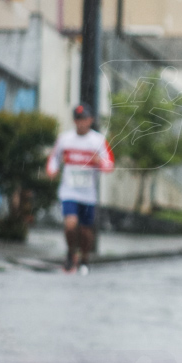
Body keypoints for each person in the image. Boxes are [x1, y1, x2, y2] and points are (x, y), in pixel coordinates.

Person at [46, 103, 115, 275]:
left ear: (90, 120)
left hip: (87, 193)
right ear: (74, 121)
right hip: (69, 191)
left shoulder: (97, 140)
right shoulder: (65, 139)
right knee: (70, 225)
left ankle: (84, 258)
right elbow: (54, 158)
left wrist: (100, 163)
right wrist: (52, 170)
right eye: (77, 119)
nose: (81, 123)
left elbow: (110, 164)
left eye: (84, 119)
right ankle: (71, 254)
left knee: (85, 230)